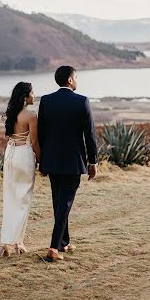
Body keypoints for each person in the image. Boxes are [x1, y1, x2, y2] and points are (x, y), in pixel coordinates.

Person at [38, 66, 98, 262]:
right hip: (73, 161)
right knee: (64, 203)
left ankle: (64, 243)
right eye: (76, 77)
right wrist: (93, 162)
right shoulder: (82, 101)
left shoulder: (46, 101)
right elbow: (89, 135)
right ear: (71, 81)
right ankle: (54, 248)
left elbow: (42, 133)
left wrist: (42, 160)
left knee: (59, 202)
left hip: (52, 161)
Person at [0, 82, 41, 257]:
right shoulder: (31, 116)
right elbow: (35, 143)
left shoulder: (11, 114)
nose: (34, 95)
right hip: (23, 155)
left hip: (10, 154)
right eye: (32, 92)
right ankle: (17, 243)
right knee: (23, 199)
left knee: (10, 198)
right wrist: (41, 160)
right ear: (25, 97)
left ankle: (6, 244)